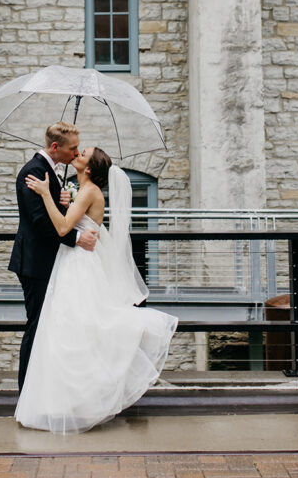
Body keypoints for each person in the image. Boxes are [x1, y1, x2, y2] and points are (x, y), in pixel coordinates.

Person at [14, 145, 178, 433]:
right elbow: (73, 219)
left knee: (77, 327)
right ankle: (67, 401)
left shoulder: (89, 191)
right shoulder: (83, 190)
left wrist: (45, 195)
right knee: (71, 329)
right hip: (72, 262)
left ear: (88, 168)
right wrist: (64, 200)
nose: (77, 153)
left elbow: (64, 228)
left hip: (78, 265)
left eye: (83, 153)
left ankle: (76, 400)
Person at [8, 122, 99, 392]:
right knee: (36, 326)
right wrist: (75, 238)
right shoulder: (33, 172)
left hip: (49, 261)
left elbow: (49, 214)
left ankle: (44, 389)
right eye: (72, 148)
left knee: (49, 325)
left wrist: (61, 201)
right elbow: (38, 221)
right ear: (56, 147)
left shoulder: (50, 170)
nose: (76, 153)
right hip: (36, 263)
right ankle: (26, 393)